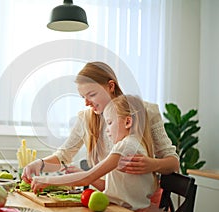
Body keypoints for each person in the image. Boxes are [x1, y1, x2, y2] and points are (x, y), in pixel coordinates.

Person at [21, 62, 179, 186]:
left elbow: (173, 162)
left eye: (92, 94)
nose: (87, 103)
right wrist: (39, 164)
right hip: (105, 200)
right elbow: (63, 157)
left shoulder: (146, 111)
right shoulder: (85, 119)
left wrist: (153, 165)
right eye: (83, 97)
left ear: (111, 86)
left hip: (140, 203)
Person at [31, 95, 157, 211]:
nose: (107, 130)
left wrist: (48, 180)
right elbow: (112, 189)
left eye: (110, 123)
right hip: (125, 210)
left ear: (127, 122)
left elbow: (87, 178)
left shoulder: (125, 146)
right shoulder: (134, 145)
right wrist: (83, 174)